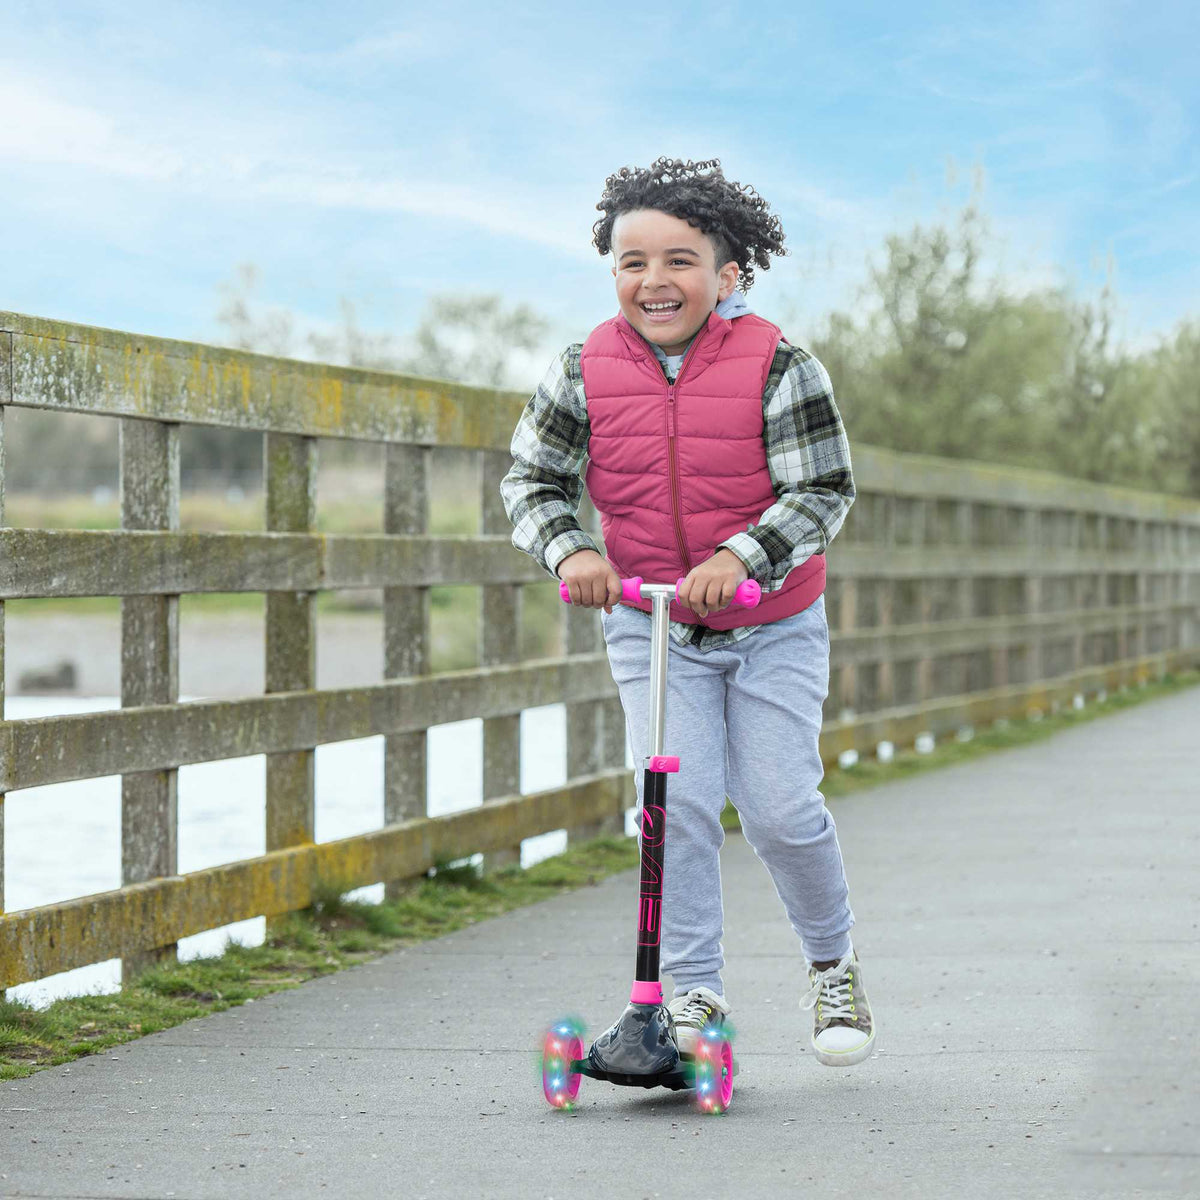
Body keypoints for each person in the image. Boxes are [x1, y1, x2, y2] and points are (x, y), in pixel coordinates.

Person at [501, 157, 875, 1068]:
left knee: (781, 807)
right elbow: (533, 480)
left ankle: (833, 964)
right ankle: (693, 996)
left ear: (728, 273)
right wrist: (573, 549)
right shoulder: (581, 367)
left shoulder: (780, 364)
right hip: (650, 621)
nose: (654, 281)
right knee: (680, 803)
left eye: (679, 260)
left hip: (770, 618)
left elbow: (822, 487)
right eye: (632, 262)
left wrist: (740, 556)